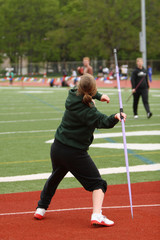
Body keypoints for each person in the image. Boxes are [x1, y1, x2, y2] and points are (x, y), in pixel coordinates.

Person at [34, 73, 126, 227]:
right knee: (98, 184)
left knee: (55, 176)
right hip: (74, 153)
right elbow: (103, 121)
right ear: (92, 90)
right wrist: (116, 116)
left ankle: (41, 208)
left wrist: (99, 95)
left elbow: (84, 91)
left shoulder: (71, 96)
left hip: (57, 147)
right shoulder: (89, 111)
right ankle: (97, 215)